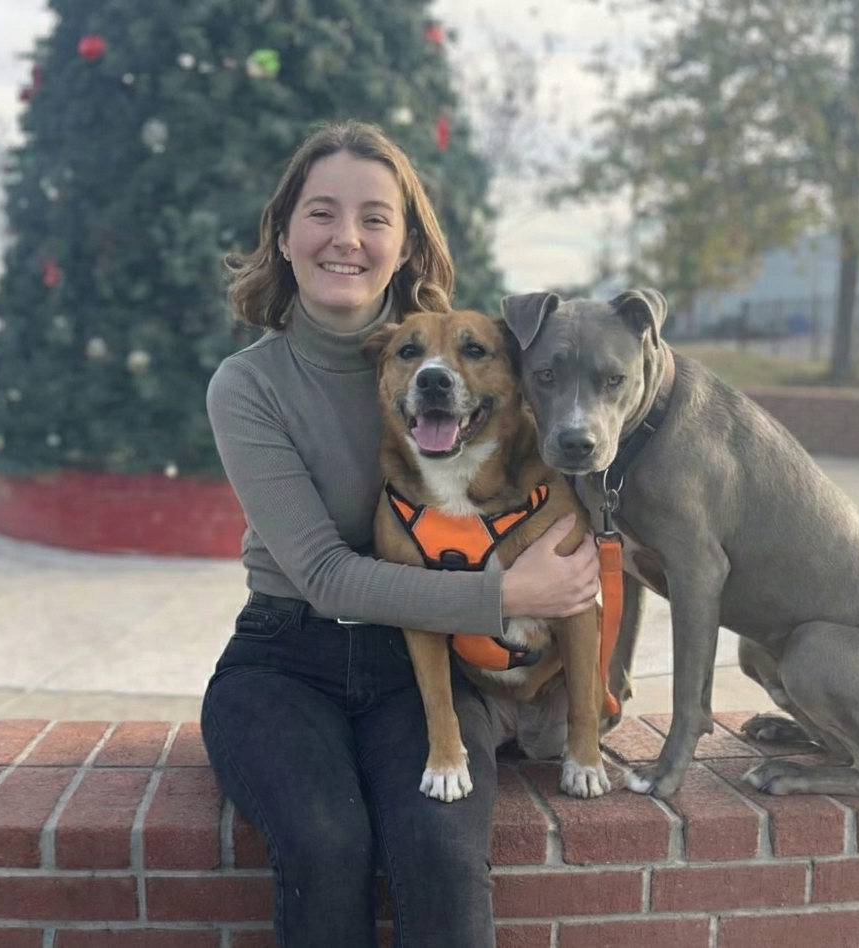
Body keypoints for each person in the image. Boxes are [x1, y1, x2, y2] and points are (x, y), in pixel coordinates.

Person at [202, 119, 599, 948]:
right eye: (321, 213)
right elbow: (321, 572)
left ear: (406, 242)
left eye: (375, 217)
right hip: (285, 658)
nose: (346, 237)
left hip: (417, 664)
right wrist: (507, 594)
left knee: (441, 853)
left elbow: (566, 438)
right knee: (325, 840)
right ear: (283, 233)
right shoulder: (248, 387)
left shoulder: (466, 363)